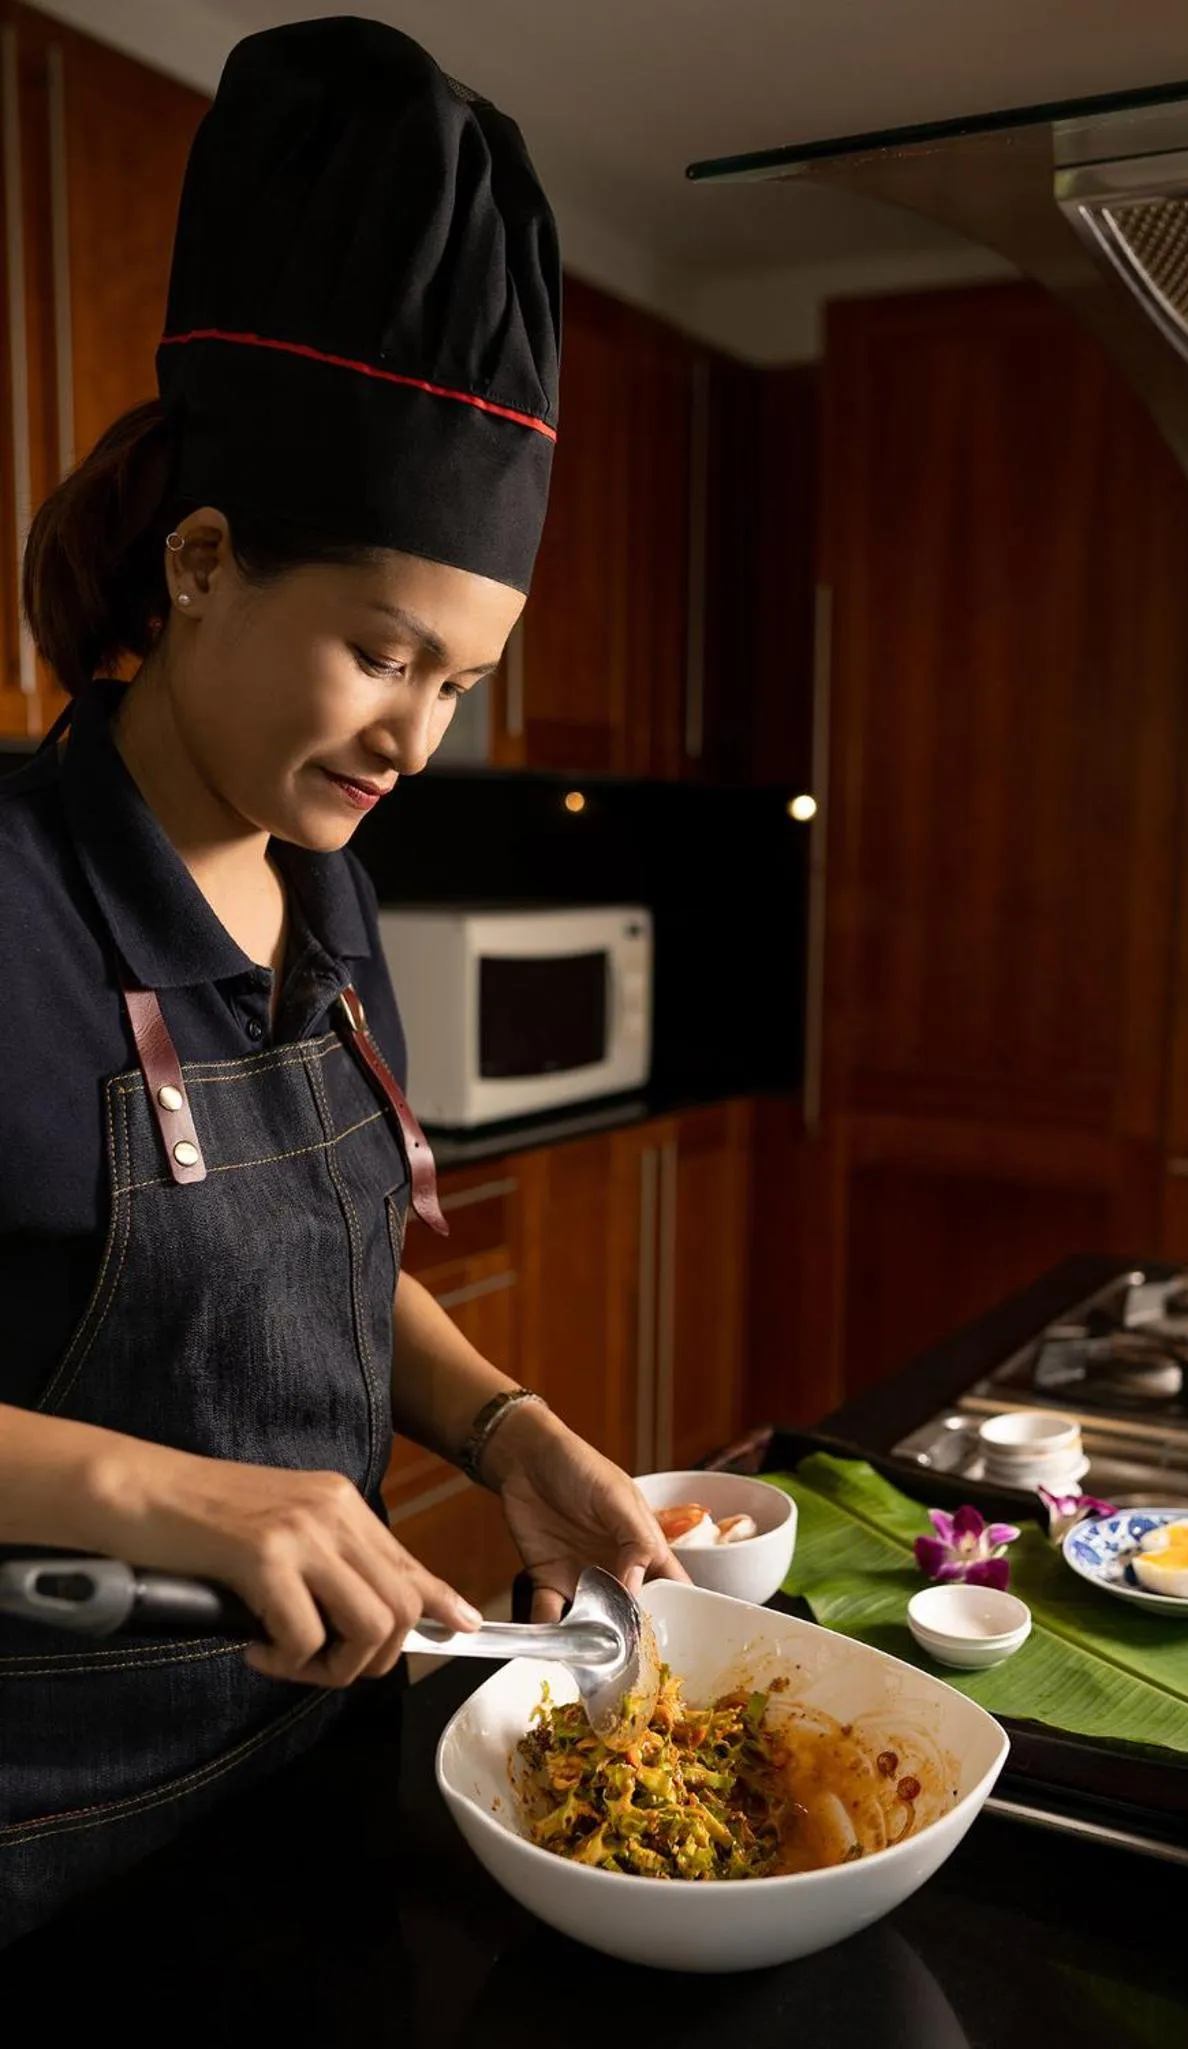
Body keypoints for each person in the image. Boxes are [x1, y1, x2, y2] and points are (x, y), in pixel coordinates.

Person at [0, 16, 682, 1948]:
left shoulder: (327, 890)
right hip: (37, 1856)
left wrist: (505, 1429)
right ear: (202, 563)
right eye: (385, 654)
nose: (417, 735)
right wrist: (176, 1496)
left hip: (306, 1773)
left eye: (459, 682)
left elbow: (307, 1259)